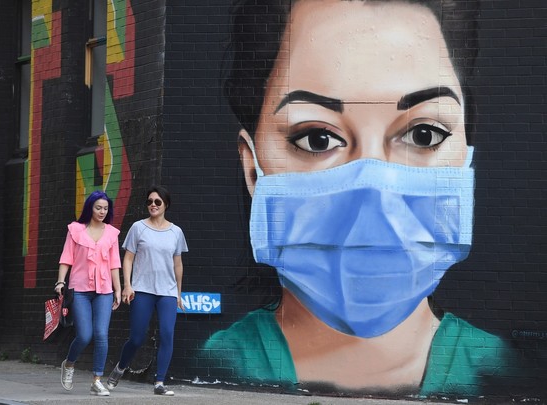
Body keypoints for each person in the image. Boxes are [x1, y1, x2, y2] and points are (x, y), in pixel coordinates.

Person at [201, 0, 520, 397]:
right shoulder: (216, 361)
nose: (374, 193)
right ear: (254, 169)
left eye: (424, 134)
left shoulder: (500, 366)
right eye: (317, 138)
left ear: (466, 159)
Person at [106, 186, 188, 396]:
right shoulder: (138, 228)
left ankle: (159, 382)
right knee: (136, 338)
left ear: (165, 205)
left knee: (167, 335)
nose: (153, 205)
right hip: (142, 289)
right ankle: (120, 367)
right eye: (150, 201)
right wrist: (127, 285)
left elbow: (177, 264)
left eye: (157, 202)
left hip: (167, 292)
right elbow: (128, 258)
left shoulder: (176, 232)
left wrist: (178, 293)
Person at [55, 190, 121, 396]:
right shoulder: (75, 230)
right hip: (80, 289)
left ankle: (97, 380)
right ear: (90, 208)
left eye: (105, 208)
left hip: (104, 290)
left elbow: (114, 264)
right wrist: (60, 281)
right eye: (98, 207)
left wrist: (118, 289)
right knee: (84, 335)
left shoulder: (111, 233)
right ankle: (70, 364)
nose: (102, 211)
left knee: (101, 334)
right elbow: (67, 257)